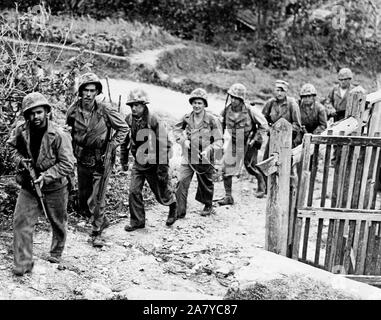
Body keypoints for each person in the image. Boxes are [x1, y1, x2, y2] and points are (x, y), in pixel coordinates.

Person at [7, 92, 75, 276]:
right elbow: (11, 148)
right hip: (29, 185)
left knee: (57, 221)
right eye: (31, 113)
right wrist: (21, 161)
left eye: (39, 112)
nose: (35, 117)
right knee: (21, 221)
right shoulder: (21, 130)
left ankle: (56, 251)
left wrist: (47, 175)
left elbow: (68, 164)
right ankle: (23, 262)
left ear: (46, 112)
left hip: (55, 187)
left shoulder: (59, 134)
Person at [66, 72, 128, 247]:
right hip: (82, 158)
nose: (88, 94)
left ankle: (96, 233)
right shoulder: (73, 111)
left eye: (92, 90)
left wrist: (112, 145)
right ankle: (101, 219)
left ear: (96, 92)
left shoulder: (105, 110)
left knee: (97, 198)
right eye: (85, 90)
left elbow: (123, 128)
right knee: (84, 197)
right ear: (80, 91)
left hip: (102, 158)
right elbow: (69, 131)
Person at [120, 88, 177, 230]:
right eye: (132, 105)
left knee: (160, 192)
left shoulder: (153, 120)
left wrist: (162, 169)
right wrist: (124, 160)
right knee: (134, 191)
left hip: (155, 162)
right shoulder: (128, 120)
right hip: (139, 162)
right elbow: (124, 141)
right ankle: (138, 221)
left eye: (137, 105)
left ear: (144, 105)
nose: (134, 108)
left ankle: (172, 204)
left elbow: (165, 145)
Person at [173, 88, 223, 217]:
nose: (196, 105)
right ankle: (180, 210)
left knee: (206, 183)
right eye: (194, 102)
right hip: (189, 155)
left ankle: (208, 204)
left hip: (205, 156)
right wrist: (184, 140)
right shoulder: (187, 117)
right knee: (182, 181)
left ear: (204, 104)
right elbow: (176, 130)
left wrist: (209, 150)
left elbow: (219, 141)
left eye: (199, 103)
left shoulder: (212, 120)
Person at [218, 83, 269, 205]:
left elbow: (264, 125)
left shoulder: (250, 110)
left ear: (242, 99)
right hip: (235, 140)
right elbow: (220, 125)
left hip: (249, 140)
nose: (233, 100)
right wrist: (219, 139)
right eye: (232, 97)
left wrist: (256, 138)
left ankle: (262, 182)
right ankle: (228, 196)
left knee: (250, 165)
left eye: (237, 98)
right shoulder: (226, 110)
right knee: (226, 168)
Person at [262, 79, 302, 154]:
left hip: (287, 139)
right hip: (273, 138)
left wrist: (286, 132)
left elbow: (297, 124)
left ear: (286, 92)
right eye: (277, 90)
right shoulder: (270, 103)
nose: (279, 93)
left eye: (282, 91)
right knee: (268, 160)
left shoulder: (292, 104)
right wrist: (269, 129)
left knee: (285, 161)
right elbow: (263, 119)